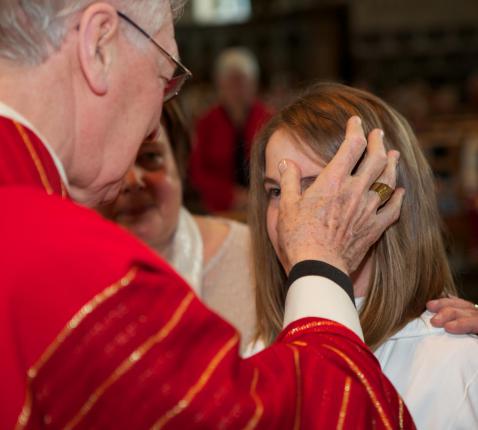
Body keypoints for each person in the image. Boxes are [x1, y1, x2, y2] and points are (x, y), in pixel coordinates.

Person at [0, 1, 415, 429]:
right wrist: (321, 262)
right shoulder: (82, 271)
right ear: (99, 46)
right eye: (164, 80)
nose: (151, 126)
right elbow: (319, 414)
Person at [248, 82, 478, 429]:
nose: (290, 215)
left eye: (316, 185)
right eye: (277, 191)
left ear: (382, 197)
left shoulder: (454, 362)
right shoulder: (259, 354)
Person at [100, 102, 256, 352]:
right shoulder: (62, 284)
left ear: (180, 161)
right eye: (111, 162)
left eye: (150, 157)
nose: (132, 181)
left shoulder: (251, 257)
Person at [189, 47, 271, 212]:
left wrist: (256, 195)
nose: (237, 90)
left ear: (254, 84)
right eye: (231, 82)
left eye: (243, 82)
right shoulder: (206, 122)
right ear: (220, 85)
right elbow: (197, 172)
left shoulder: (269, 119)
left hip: (264, 203)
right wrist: (231, 195)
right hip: (220, 208)